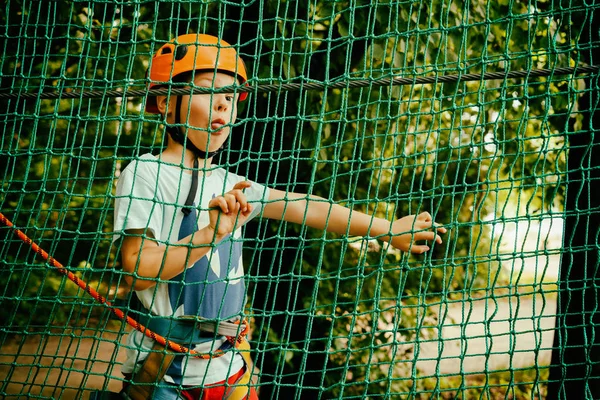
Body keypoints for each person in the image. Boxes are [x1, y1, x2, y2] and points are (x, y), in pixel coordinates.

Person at [111, 33, 446, 400]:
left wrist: (387, 229)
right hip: (164, 375)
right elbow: (138, 270)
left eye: (230, 95)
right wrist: (211, 233)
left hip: (230, 370)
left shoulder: (231, 184)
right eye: (208, 90)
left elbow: (305, 206)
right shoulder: (144, 173)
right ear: (164, 102)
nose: (223, 104)